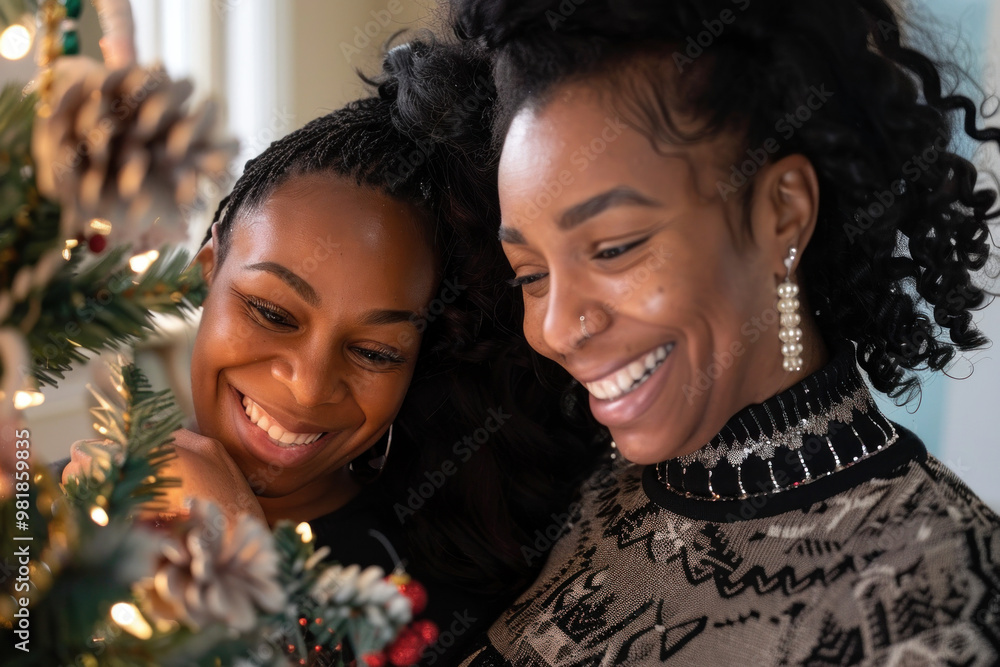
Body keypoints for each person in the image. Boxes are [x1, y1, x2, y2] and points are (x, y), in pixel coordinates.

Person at [447, 0, 1000, 664]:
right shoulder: (574, 487)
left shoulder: (943, 599)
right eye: (530, 274)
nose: (559, 328)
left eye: (614, 248)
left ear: (781, 213)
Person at [64, 38, 603, 665]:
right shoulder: (49, 512)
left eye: (375, 351)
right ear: (209, 266)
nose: (309, 386)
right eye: (271, 313)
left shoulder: (426, 598)